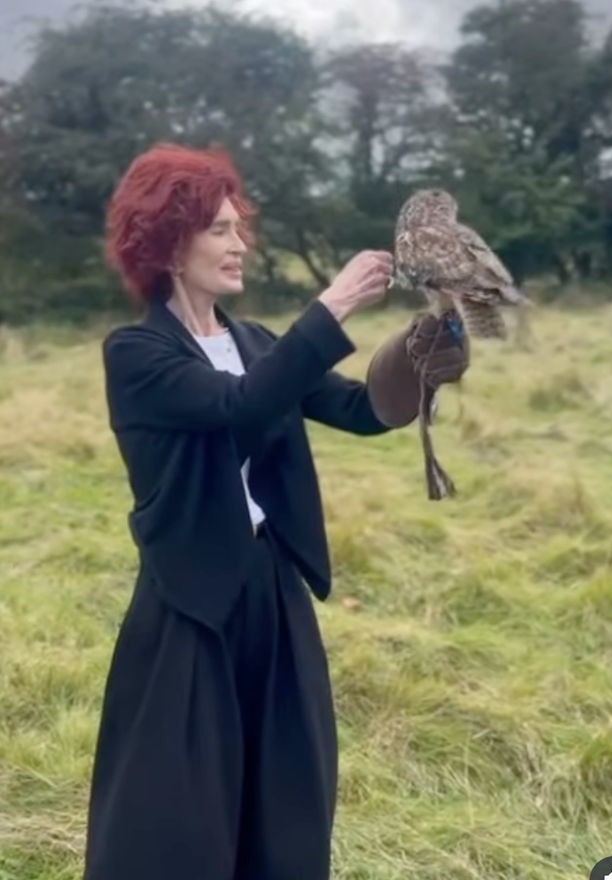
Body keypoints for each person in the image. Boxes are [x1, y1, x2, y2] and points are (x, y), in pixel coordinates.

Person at [82, 141, 467, 880]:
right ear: (168, 243)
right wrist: (335, 304)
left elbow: (357, 410)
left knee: (286, 800)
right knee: (179, 819)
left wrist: (423, 350)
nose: (240, 243)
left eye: (239, 227)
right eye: (220, 229)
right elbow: (237, 407)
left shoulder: (258, 343)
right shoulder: (135, 355)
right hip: (191, 606)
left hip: (273, 593)